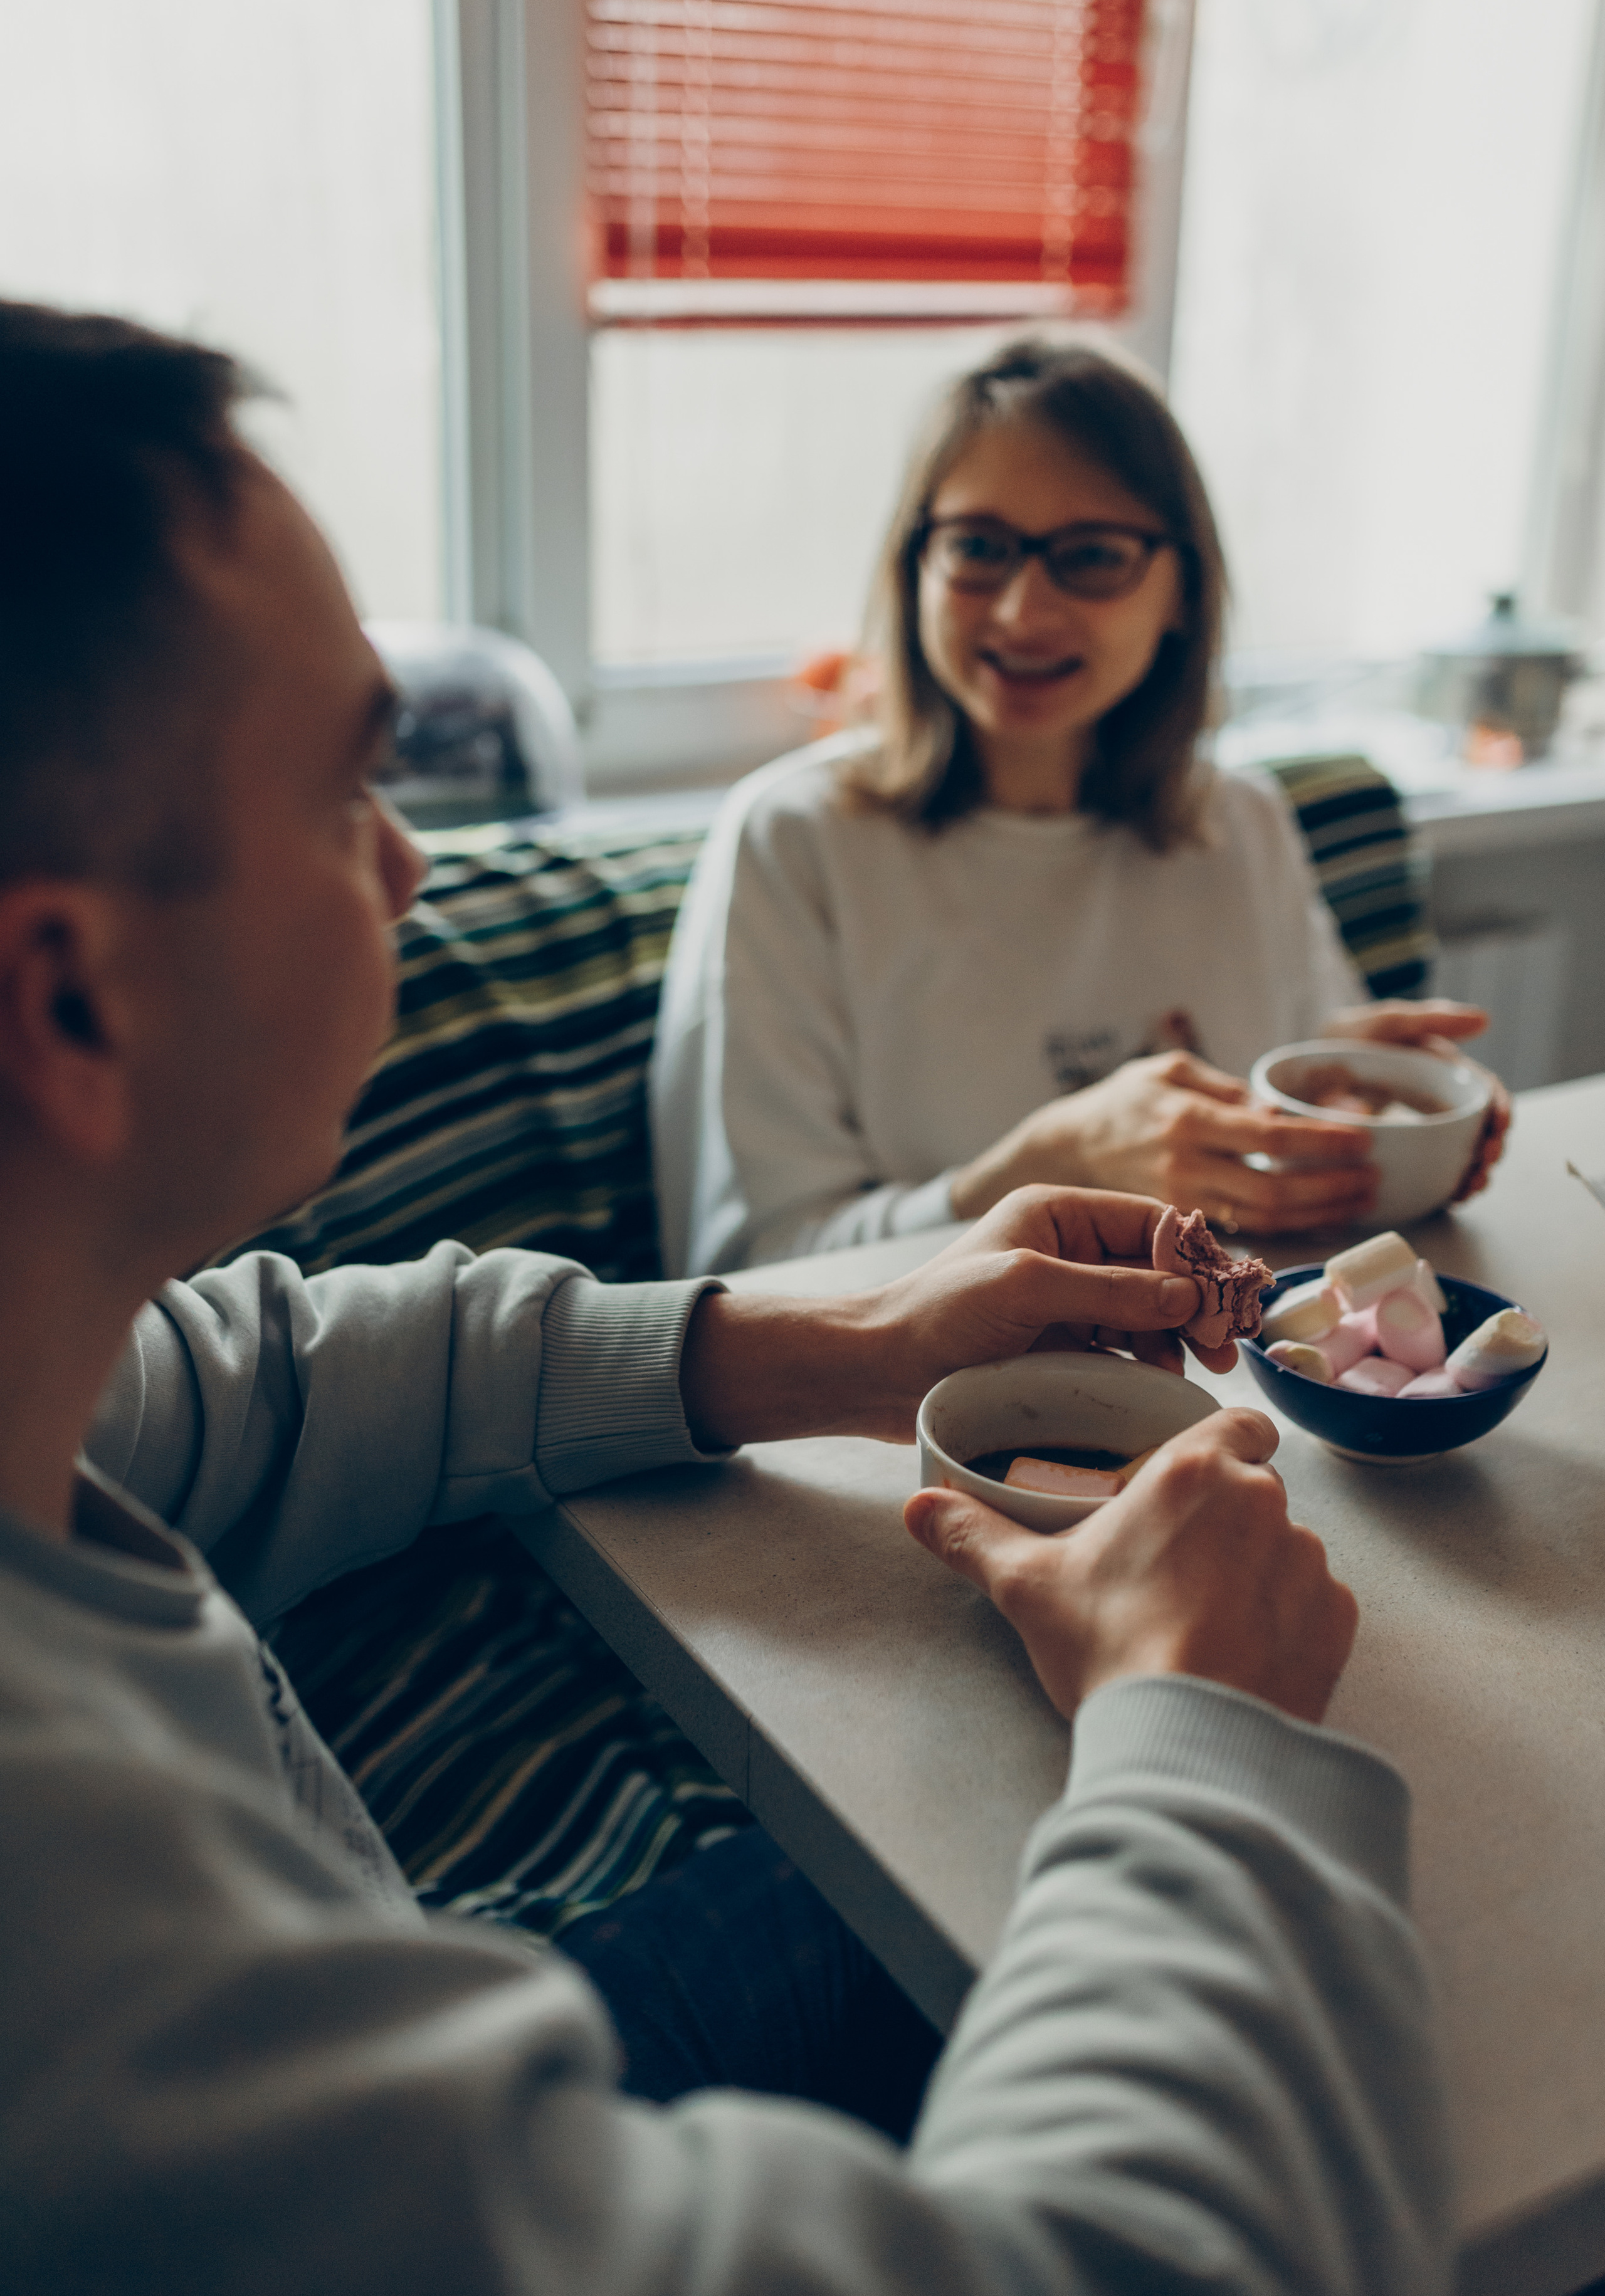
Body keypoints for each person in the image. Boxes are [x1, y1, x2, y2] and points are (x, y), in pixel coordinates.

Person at [0, 300, 1450, 2293]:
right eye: (351, 794)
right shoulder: (81, 1965)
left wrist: (853, 1334)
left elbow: (258, 1379)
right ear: (70, 997)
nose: (418, 869)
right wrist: (1202, 1724)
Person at [651, 335, 1505, 1275]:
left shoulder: (1243, 822)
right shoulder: (791, 842)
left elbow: (1299, 1183)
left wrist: (1385, 1127)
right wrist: (1037, 1170)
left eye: (1092, 555)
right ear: (914, 569)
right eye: (978, 548)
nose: (1022, 610)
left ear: (1182, 589)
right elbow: (752, 1270)